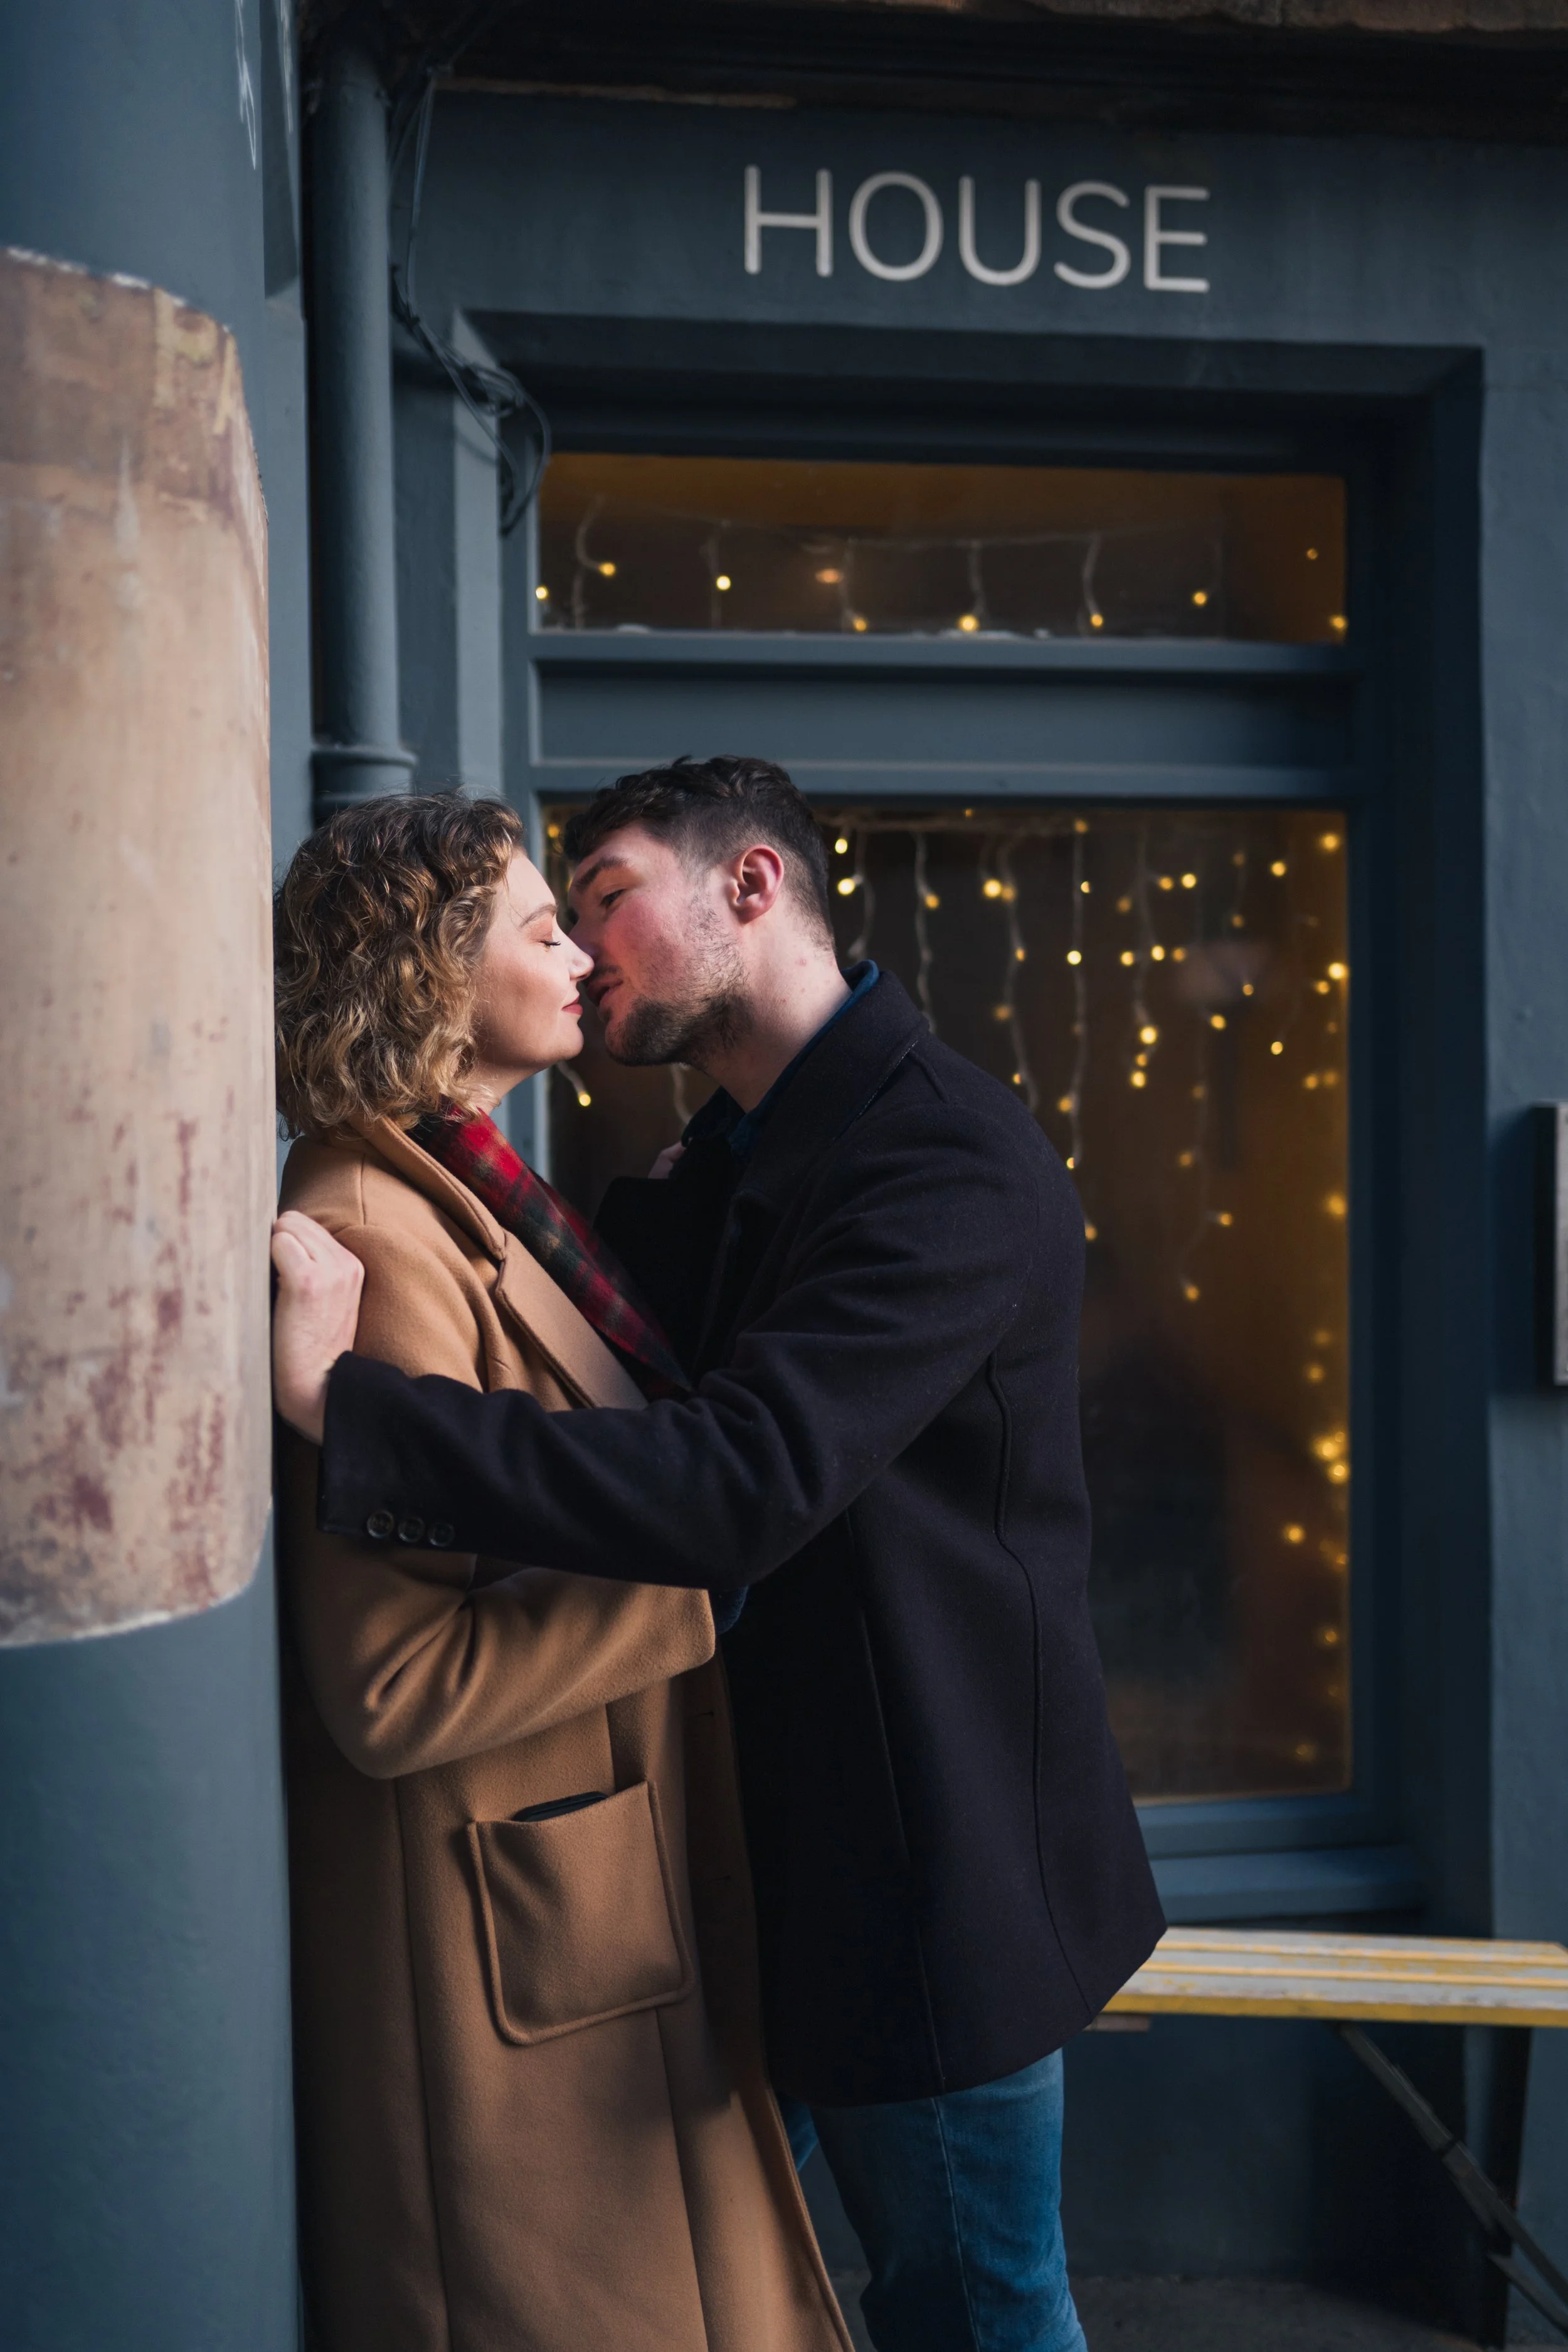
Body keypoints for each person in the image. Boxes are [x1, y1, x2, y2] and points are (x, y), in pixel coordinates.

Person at [273, 757, 1165, 2352]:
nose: (586, 948)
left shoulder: (938, 1159)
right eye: (551, 919)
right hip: (751, 1865)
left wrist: (358, 1416)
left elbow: (737, 1481)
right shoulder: (724, 1159)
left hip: (919, 1864)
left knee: (977, 2303)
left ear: (749, 888)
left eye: (602, 899)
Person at [269, 792, 851, 2352]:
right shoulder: (372, 1228)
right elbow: (386, 1692)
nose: (586, 962)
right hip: (502, 1965)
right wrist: (693, 1580)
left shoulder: (479, 1198)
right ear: (424, 976)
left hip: (592, 1916)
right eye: (544, 928)